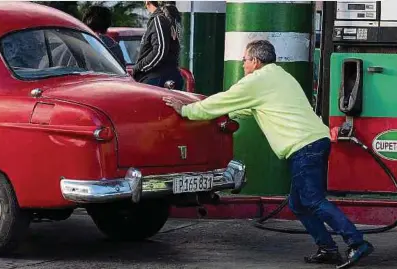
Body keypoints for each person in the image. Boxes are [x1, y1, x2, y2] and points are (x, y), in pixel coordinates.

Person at [163, 40, 374, 269]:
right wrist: (222, 116)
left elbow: (224, 100)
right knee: (299, 204)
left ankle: (356, 242)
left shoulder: (256, 81)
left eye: (244, 60)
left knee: (312, 201)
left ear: (255, 61)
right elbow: (246, 107)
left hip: (304, 146)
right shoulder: (280, 76)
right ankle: (327, 248)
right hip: (316, 142)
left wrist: (186, 110)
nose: (243, 65)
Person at [132, 1, 184, 90]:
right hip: (168, 75)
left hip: (157, 77)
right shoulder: (171, 19)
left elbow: (160, 50)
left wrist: (139, 67)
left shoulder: (159, 19)